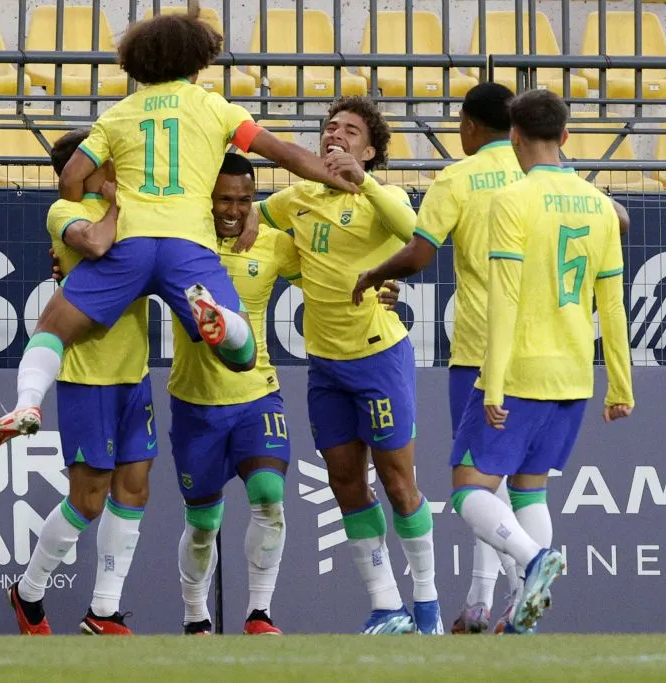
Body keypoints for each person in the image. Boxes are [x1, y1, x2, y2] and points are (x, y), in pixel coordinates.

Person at [0, 6, 358, 455]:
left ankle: (27, 404)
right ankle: (219, 321)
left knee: (52, 327)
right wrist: (336, 178)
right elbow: (282, 152)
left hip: (128, 244)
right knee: (241, 353)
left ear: (139, 60)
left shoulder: (117, 115)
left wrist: (84, 219)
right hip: (186, 245)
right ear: (196, 58)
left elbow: (70, 176)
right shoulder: (214, 107)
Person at [174, 153, 402, 636]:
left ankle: (259, 613)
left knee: (269, 497)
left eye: (244, 199)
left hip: (258, 394)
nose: (233, 210)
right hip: (194, 399)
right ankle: (196, 615)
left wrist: (384, 283)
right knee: (203, 523)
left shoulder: (276, 244)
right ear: (206, 200)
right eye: (223, 200)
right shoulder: (180, 245)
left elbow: (329, 281)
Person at [449, 89, 634, 634]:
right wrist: (620, 385)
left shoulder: (511, 200)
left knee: (467, 488)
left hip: (523, 369)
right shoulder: (601, 206)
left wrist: (494, 383)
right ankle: (521, 611)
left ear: (514, 138)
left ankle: (532, 563)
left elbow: (503, 299)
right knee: (530, 487)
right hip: (574, 374)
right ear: (567, 137)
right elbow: (613, 304)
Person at [257, 97, 442, 635]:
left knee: (398, 481)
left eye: (350, 130)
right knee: (344, 482)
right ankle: (387, 606)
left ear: (370, 149)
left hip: (379, 357)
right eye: (330, 127)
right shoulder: (296, 198)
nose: (335, 135)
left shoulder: (382, 197)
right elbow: (246, 219)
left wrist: (363, 182)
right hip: (325, 366)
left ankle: (427, 606)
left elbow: (415, 231)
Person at [352, 83, 527, 635]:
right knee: (513, 483)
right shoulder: (541, 172)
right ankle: (480, 600)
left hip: (481, 346)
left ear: (471, 126)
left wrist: (379, 272)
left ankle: (523, 579)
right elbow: (614, 218)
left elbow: (421, 252)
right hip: (544, 346)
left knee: (475, 482)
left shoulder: (458, 177)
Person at [7, 129, 153, 636]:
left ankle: (104, 611)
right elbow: (95, 245)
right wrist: (118, 208)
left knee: (134, 490)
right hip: (87, 376)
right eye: (104, 159)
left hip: (134, 373)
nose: (114, 164)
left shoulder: (128, 205)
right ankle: (28, 594)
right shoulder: (63, 213)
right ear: (81, 170)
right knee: (88, 500)